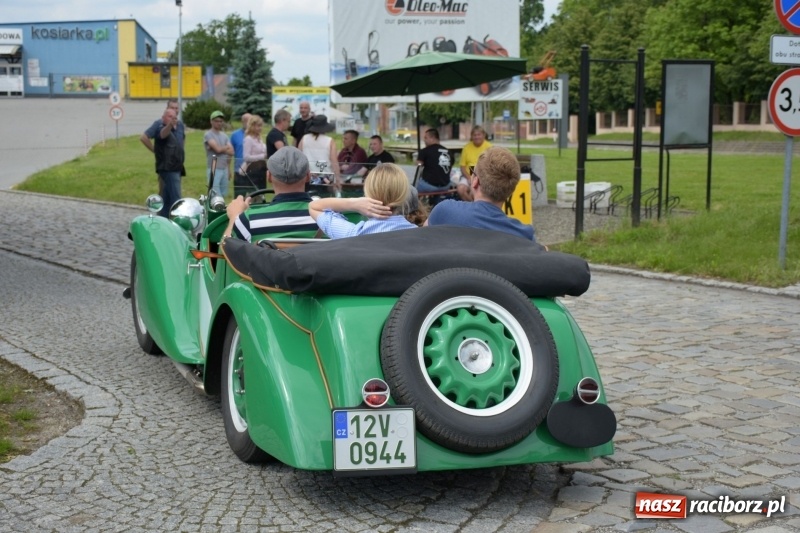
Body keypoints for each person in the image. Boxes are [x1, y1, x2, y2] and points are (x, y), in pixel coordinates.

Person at [427, 146, 536, 242]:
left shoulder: (444, 212)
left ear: (475, 181)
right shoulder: (525, 235)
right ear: (511, 190)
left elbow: (421, 239)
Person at [222, 146, 318, 243]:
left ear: (269, 176)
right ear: (308, 176)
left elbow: (224, 256)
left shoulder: (248, 220)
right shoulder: (329, 219)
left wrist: (235, 218)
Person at [309, 163, 418, 239]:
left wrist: (353, 203)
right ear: (404, 193)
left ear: (367, 194)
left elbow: (314, 206)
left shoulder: (352, 233)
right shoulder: (421, 235)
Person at [140, 99, 185, 216]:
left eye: (176, 109)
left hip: (177, 166)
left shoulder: (180, 126)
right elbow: (145, 137)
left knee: (168, 196)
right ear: (166, 111)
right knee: (173, 197)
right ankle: (172, 220)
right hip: (166, 167)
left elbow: (182, 141)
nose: (175, 112)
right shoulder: (160, 124)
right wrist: (154, 150)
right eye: (172, 109)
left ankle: (162, 218)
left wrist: (180, 154)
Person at [298, 114, 341, 187]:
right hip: (326, 177)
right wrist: (337, 179)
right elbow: (334, 162)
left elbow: (298, 158)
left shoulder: (304, 139)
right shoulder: (329, 141)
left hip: (308, 176)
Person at [204, 110, 235, 196]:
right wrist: (224, 148)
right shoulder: (208, 135)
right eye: (216, 121)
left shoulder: (224, 135)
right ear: (211, 121)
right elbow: (217, 149)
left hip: (224, 168)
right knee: (215, 195)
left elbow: (231, 151)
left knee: (223, 194)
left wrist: (220, 148)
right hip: (214, 168)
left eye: (221, 121)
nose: (219, 123)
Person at [458, 125, 492, 201]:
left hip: (483, 176)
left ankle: (475, 208)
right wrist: (469, 178)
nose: (476, 137)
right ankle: (473, 206)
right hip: (468, 176)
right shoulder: (467, 147)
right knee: (461, 189)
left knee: (473, 192)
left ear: (483, 135)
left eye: (479, 135)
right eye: (474, 135)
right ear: (472, 136)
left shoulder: (489, 147)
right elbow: (462, 166)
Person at [415, 128, 453, 194]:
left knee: (411, 188)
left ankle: (419, 204)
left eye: (425, 138)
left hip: (429, 186)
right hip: (445, 186)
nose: (424, 140)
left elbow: (418, 166)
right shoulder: (449, 152)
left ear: (432, 138)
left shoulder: (425, 151)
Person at [240, 114, 267, 190]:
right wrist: (262, 156)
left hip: (260, 170)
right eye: (258, 126)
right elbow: (246, 157)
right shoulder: (248, 139)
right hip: (251, 171)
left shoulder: (259, 138)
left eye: (261, 126)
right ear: (252, 126)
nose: (260, 128)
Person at [230, 112, 252, 196]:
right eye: (246, 121)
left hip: (252, 171)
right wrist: (228, 168)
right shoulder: (235, 135)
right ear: (242, 122)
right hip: (239, 171)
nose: (248, 123)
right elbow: (230, 152)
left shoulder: (255, 135)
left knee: (253, 197)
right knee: (239, 196)